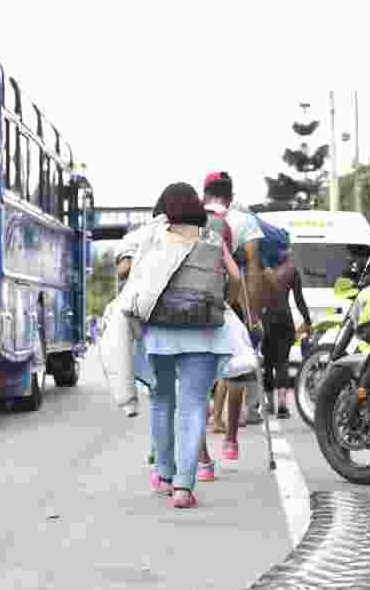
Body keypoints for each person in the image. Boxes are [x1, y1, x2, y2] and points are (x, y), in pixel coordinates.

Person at [116, 182, 241, 508]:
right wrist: (224, 303)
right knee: (194, 405)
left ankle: (163, 475)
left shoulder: (155, 238)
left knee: (161, 401)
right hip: (204, 331)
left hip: (159, 332)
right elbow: (236, 278)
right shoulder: (212, 239)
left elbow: (128, 271)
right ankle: (184, 488)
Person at [200, 172, 268, 461]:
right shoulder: (245, 221)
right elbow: (252, 269)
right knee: (238, 370)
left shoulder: (192, 218)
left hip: (195, 305)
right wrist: (253, 315)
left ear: (204, 193)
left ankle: (202, 456)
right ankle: (230, 440)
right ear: (231, 196)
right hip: (232, 303)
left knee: (197, 374)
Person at [261, 268, 311, 418]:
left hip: (266, 319)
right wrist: (307, 320)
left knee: (268, 364)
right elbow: (299, 299)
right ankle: (282, 405)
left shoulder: (262, 268)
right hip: (285, 319)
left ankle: (270, 405)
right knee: (282, 362)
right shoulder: (291, 271)